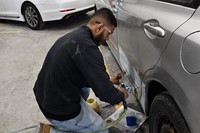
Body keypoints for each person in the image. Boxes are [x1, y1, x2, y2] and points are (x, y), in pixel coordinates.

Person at [33, 8, 128, 133]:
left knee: (85, 89)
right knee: (101, 128)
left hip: (44, 95)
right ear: (99, 28)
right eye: (109, 33)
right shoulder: (88, 49)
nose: (108, 38)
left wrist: (109, 81)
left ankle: (72, 123)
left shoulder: (78, 35)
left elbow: (84, 73)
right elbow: (105, 94)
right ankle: (55, 130)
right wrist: (120, 94)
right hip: (57, 109)